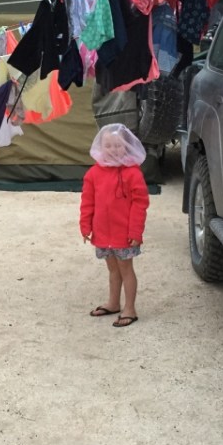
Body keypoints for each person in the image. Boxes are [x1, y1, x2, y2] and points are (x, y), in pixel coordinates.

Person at [79, 124, 150, 327]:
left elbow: (140, 203)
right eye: (108, 145)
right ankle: (113, 302)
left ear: (126, 147)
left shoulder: (132, 174)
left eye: (118, 145)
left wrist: (136, 230)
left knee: (126, 269)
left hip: (124, 235)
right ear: (101, 148)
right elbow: (87, 201)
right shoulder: (93, 174)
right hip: (103, 234)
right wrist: (85, 226)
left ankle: (130, 308)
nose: (113, 149)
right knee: (112, 270)